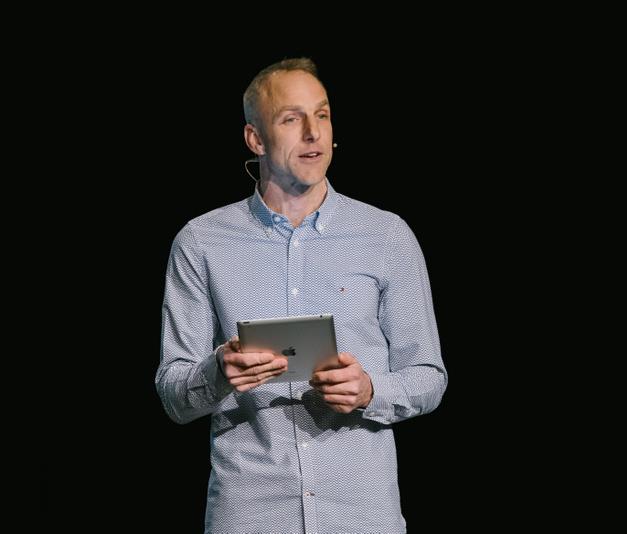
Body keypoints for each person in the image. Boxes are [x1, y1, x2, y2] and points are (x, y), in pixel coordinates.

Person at [155, 57, 447, 533]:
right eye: (291, 119)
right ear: (255, 139)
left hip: (360, 515)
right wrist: (218, 372)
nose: (313, 133)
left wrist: (370, 390)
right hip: (252, 514)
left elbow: (428, 376)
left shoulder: (386, 236)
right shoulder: (202, 242)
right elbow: (173, 393)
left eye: (322, 115)